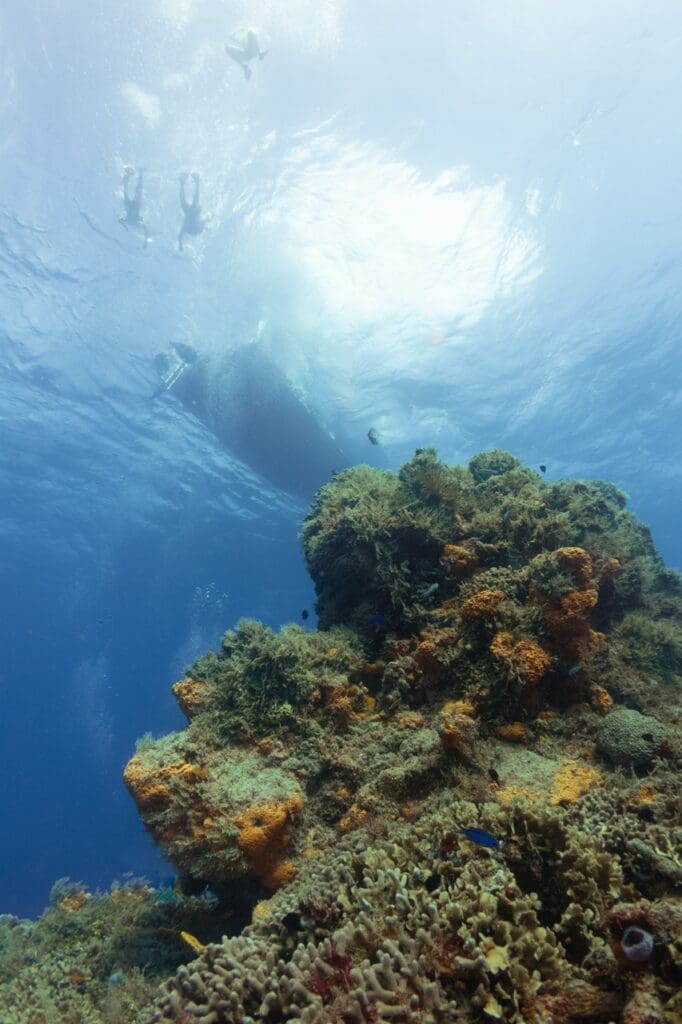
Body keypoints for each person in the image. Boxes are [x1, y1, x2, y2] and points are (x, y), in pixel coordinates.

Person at [177, 172, 210, 251]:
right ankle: (195, 182)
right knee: (191, 202)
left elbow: (180, 237)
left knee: (185, 202)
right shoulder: (192, 228)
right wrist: (208, 218)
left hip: (190, 213)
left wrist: (180, 245)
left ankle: (184, 182)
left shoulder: (187, 228)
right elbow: (180, 237)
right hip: (194, 213)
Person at [119, 166, 149, 247]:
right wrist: (125, 227)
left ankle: (138, 172)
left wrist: (126, 228)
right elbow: (120, 220)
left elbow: (145, 227)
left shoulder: (136, 222)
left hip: (134, 208)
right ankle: (132, 174)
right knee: (128, 191)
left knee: (137, 190)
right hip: (130, 209)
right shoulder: (133, 222)